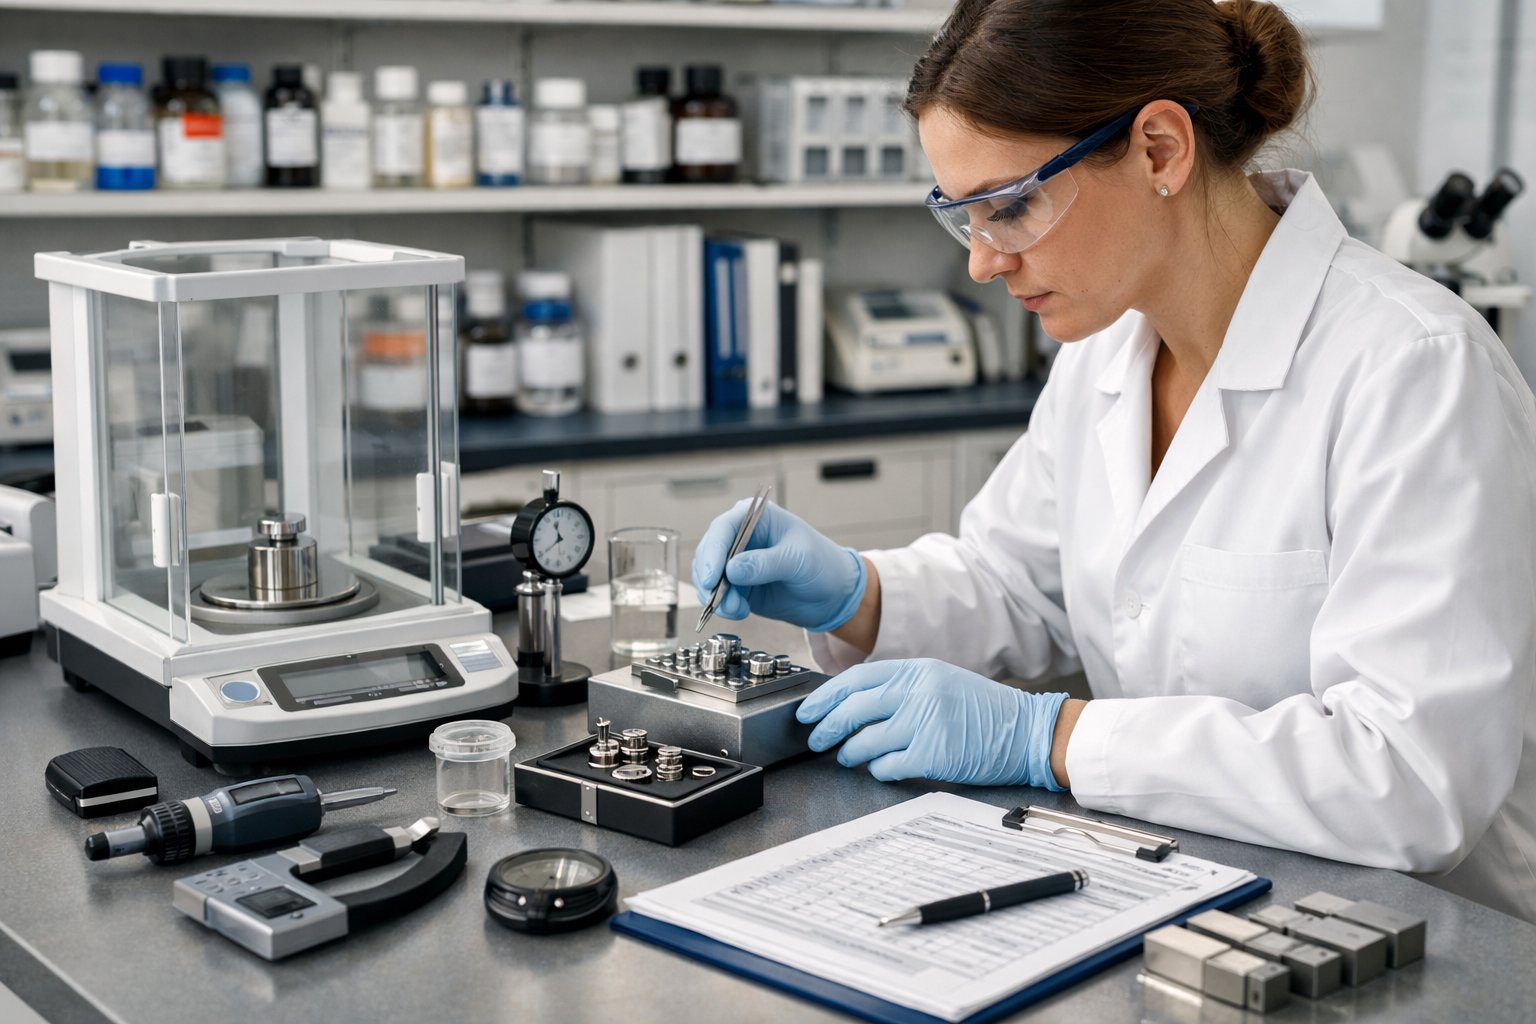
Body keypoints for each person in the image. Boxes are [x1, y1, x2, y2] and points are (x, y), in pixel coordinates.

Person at [692, 0, 1536, 923]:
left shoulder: (1413, 368)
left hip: (1427, 941)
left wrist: (1054, 738)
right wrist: (858, 596)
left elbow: (1410, 778)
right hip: (1183, 896)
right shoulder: (1104, 349)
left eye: (1011, 206)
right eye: (962, 215)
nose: (982, 263)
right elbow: (1020, 583)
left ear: (1160, 151)